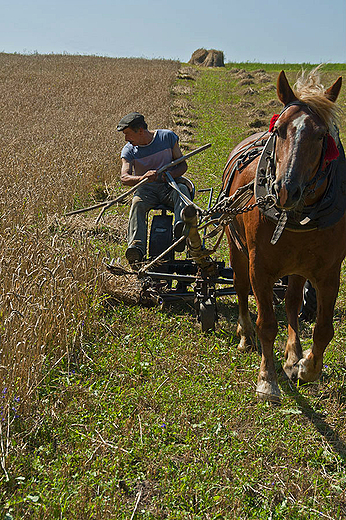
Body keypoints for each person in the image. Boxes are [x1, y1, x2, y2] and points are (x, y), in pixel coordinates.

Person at [117, 112, 191, 266]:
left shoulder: (167, 138)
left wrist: (169, 174)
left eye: (128, 134)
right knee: (137, 203)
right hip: (147, 191)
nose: (126, 139)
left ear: (140, 131)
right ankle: (136, 248)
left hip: (169, 187)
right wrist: (142, 178)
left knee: (183, 191)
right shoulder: (129, 150)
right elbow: (124, 177)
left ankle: (181, 233)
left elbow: (182, 165)